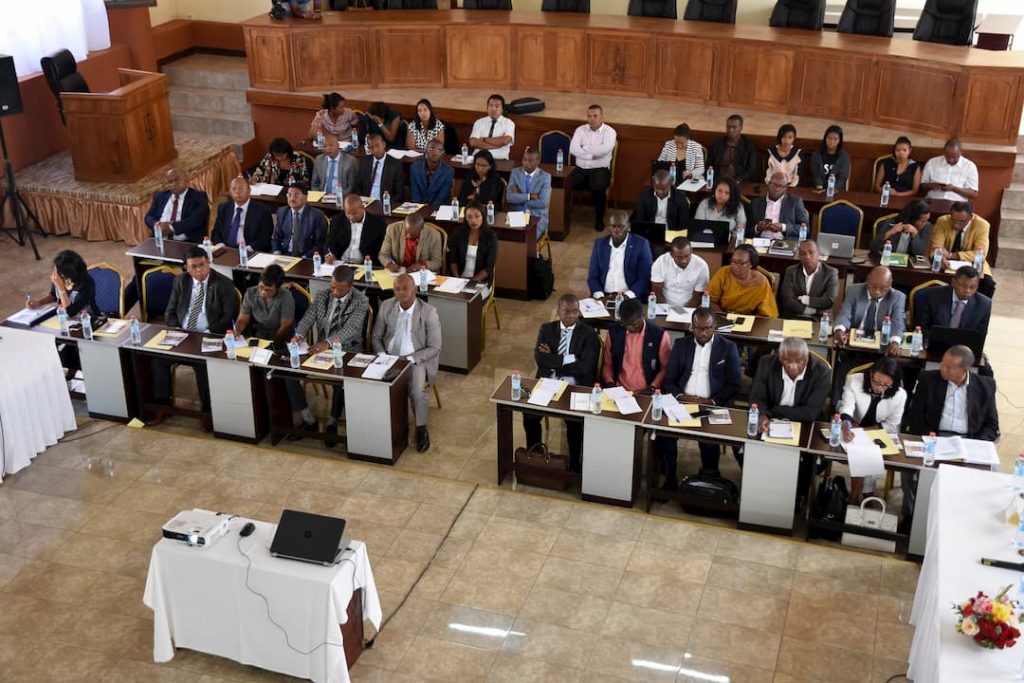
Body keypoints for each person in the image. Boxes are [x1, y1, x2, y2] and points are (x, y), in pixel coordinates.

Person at [902, 345, 1000, 520]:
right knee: (908, 471)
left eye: (949, 367)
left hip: (968, 441)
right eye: (942, 363)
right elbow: (915, 417)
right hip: (934, 437)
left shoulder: (986, 386)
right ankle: (910, 516)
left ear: (964, 369)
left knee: (991, 473)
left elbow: (992, 426)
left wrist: (972, 445)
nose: (942, 368)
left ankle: (967, 518)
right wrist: (933, 439)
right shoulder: (927, 379)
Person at [147, 246, 237, 430]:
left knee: (203, 366)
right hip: (182, 335)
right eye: (194, 267)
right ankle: (162, 406)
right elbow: (170, 312)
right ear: (186, 268)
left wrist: (207, 332)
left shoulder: (224, 284)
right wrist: (176, 330)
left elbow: (228, 317)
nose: (199, 270)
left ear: (208, 263)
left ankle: (208, 412)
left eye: (202, 265)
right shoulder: (181, 281)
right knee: (157, 360)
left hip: (208, 335)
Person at [749, 337, 832, 510]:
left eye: (799, 361)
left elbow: (811, 412)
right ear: (780, 358)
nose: (793, 366)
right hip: (772, 421)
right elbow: (757, 397)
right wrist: (762, 414)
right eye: (788, 360)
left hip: (806, 424)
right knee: (745, 444)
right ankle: (759, 487)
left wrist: (772, 412)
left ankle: (798, 496)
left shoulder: (822, 371)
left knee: (810, 459)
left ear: (807, 358)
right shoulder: (766, 363)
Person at [661, 308, 742, 483]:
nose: (703, 332)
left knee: (709, 438)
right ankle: (669, 477)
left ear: (715, 327)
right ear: (692, 327)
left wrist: (712, 401)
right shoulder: (681, 345)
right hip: (682, 402)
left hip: (711, 404)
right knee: (665, 434)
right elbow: (669, 380)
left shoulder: (728, 348)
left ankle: (709, 476)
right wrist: (682, 397)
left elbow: (734, 384)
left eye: (707, 328)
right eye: (698, 328)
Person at [525, 293, 601, 471]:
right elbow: (540, 359)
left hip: (574, 384)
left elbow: (585, 368)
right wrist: (570, 358)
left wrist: (555, 359)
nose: (571, 316)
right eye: (567, 312)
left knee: (574, 422)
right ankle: (534, 456)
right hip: (548, 382)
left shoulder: (589, 335)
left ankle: (575, 464)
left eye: (575, 312)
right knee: (529, 415)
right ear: (558, 311)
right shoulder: (546, 329)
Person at [372, 273, 442, 452]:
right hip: (389, 357)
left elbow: (435, 348)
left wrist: (411, 358)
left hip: (415, 358)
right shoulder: (387, 306)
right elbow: (376, 337)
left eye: (405, 288)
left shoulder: (428, 312)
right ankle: (383, 427)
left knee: (417, 392)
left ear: (415, 290)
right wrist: (381, 354)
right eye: (397, 289)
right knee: (374, 384)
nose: (401, 293)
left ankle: (421, 428)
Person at [838, 357, 907, 503]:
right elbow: (847, 406)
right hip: (852, 424)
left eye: (886, 385)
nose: (879, 388)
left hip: (879, 431)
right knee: (861, 449)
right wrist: (846, 423)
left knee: (864, 449)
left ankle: (855, 498)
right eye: (876, 381)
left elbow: (892, 425)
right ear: (870, 374)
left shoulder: (900, 395)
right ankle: (865, 494)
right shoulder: (854, 380)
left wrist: (867, 430)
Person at [601, 298, 671, 393]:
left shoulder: (659, 335)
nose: (629, 328)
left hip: (647, 390)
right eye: (626, 324)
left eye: (633, 324)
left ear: (642, 316)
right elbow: (607, 363)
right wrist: (610, 383)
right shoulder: (614, 332)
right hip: (619, 389)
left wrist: (653, 387)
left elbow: (665, 368)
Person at [833, 266, 906, 357]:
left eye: (883, 289)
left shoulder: (897, 298)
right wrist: (839, 330)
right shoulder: (854, 291)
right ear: (868, 280)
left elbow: (898, 323)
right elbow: (845, 313)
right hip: (855, 346)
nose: (877, 292)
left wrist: (895, 343)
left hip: (881, 348)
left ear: (890, 284)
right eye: (873, 287)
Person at [929, 201, 996, 298]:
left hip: (973, 264)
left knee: (987, 284)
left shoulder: (982, 225)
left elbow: (980, 254)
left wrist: (952, 255)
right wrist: (941, 257)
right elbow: (936, 245)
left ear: (970, 217)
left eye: (961, 221)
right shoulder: (943, 221)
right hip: (946, 263)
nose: (956, 225)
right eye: (953, 220)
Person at [587, 209, 654, 301]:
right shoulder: (600, 244)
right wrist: (600, 296)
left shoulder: (641, 244)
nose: (616, 230)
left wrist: (627, 297)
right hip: (604, 295)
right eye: (613, 226)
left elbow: (644, 278)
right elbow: (593, 277)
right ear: (609, 227)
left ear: (628, 227)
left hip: (630, 296)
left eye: (621, 226)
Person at [570, 104, 618, 231]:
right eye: (589, 116)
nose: (592, 119)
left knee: (599, 189)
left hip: (599, 169)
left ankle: (599, 220)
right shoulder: (581, 130)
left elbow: (605, 150)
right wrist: (591, 155)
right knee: (563, 184)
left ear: (602, 116)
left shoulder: (610, 132)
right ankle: (563, 218)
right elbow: (573, 149)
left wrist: (584, 149)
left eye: (595, 116)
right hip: (580, 169)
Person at [915, 265, 992, 340]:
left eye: (972, 287)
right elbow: (922, 327)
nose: (967, 291)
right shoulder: (932, 296)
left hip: (964, 348)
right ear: (953, 282)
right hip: (934, 344)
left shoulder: (984, 305)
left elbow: (980, 336)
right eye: (963, 286)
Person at [706, 243, 778, 317]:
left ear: (751, 263)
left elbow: (766, 313)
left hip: (748, 320)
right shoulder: (723, 273)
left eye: (741, 263)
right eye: (733, 261)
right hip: (723, 315)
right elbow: (710, 300)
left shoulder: (761, 282)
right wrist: (724, 317)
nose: (735, 266)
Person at [777, 240, 839, 321]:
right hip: (794, 316)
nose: (807, 256)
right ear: (799, 256)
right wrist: (806, 310)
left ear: (819, 254)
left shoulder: (830, 273)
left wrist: (805, 299)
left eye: (811, 252)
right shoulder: (791, 271)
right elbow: (787, 300)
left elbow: (829, 300)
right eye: (803, 254)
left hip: (820, 318)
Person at [144, 167, 210, 243]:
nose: (173, 184)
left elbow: (196, 220)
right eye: (170, 182)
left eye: (177, 180)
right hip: (161, 240)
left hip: (188, 242)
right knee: (138, 254)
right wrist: (157, 225)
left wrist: (171, 228)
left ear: (187, 181)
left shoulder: (199, 197)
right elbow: (148, 217)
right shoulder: (160, 196)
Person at [27, 249, 98, 318]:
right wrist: (39, 303)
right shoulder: (59, 278)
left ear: (68, 274)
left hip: (86, 319)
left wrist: (61, 288)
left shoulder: (86, 284)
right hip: (63, 318)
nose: (55, 274)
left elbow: (70, 312)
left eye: (57, 271)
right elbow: (53, 296)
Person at [211, 176, 274, 252]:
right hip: (226, 250)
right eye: (234, 189)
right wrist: (221, 245)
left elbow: (265, 237)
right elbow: (216, 233)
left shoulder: (262, 210)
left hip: (250, 250)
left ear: (249, 190)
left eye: (241, 188)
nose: (237, 192)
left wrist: (247, 250)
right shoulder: (223, 208)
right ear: (230, 192)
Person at [235, 264, 294, 342]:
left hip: (281, 337)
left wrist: (273, 342)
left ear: (278, 288)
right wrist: (237, 330)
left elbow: (285, 325)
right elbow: (243, 319)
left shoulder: (286, 297)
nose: (263, 292)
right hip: (259, 335)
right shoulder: (250, 293)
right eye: (261, 287)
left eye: (268, 290)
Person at [447, 203, 498, 294]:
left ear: (483, 217)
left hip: (481, 281)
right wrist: (457, 279)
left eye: (477, 216)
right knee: (448, 299)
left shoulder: (490, 237)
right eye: (469, 217)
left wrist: (471, 282)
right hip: (459, 278)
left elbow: (488, 267)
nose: (473, 220)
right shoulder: (458, 233)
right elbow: (452, 260)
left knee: (471, 302)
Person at [325, 193, 387, 266]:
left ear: (363, 207)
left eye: (354, 213)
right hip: (340, 263)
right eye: (348, 213)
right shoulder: (337, 221)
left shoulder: (377, 223)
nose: (351, 217)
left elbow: (383, 250)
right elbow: (329, 243)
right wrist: (329, 255)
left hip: (365, 265)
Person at [650, 237, 709, 308]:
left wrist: (684, 312)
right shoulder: (661, 262)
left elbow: (698, 295)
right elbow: (657, 291)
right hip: (664, 305)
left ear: (691, 251)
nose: (683, 260)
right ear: (671, 254)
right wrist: (665, 309)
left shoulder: (701, 266)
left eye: (687, 256)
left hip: (690, 306)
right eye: (679, 257)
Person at [506, 147, 552, 238]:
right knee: (508, 236)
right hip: (517, 214)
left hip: (537, 216)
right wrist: (529, 196)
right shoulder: (515, 173)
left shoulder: (545, 177)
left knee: (528, 238)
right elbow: (509, 198)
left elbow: (542, 203)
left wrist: (519, 197)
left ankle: (532, 252)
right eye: (524, 160)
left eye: (530, 161)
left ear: (538, 161)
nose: (526, 163)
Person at [749, 172, 809, 239]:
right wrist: (757, 228)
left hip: (785, 243)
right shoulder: (756, 203)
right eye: (774, 185)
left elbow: (806, 229)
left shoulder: (795, 202)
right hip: (761, 242)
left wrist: (783, 227)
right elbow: (747, 229)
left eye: (781, 186)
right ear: (768, 184)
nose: (777, 189)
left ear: (786, 187)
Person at [272, 184, 326, 258]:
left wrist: (306, 257)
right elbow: (276, 237)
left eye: (296, 195)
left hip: (306, 256)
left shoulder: (316, 215)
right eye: (289, 195)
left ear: (306, 197)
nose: (292, 199)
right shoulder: (282, 212)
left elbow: (320, 244)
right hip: (285, 254)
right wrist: (277, 253)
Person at [869, 199, 933, 257]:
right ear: (912, 219)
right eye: (923, 221)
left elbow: (919, 253)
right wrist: (890, 232)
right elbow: (873, 247)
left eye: (927, 220)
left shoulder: (926, 227)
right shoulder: (892, 222)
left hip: (909, 265)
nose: (925, 223)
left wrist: (915, 234)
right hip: (887, 259)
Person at [709, 114, 758, 183]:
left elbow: (751, 169)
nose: (730, 130)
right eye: (728, 127)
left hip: (740, 181)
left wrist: (739, 179)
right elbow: (709, 165)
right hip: (718, 180)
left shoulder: (749, 146)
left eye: (734, 127)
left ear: (741, 128)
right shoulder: (717, 145)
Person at [354, 133, 404, 202]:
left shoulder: (395, 164)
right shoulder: (365, 162)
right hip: (367, 202)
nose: (375, 150)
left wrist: (386, 203)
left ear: (384, 144)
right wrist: (363, 200)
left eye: (377, 146)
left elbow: (399, 193)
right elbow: (357, 185)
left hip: (385, 203)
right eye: (371, 147)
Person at [468, 93, 515, 160]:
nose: (493, 109)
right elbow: (473, 142)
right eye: (490, 105)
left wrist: (484, 139)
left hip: (499, 160)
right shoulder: (479, 122)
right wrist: (498, 144)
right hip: (479, 159)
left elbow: (505, 141)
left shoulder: (508, 123)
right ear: (487, 108)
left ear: (502, 109)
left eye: (497, 106)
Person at [410, 139, 454, 206]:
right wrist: (419, 207)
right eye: (432, 149)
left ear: (443, 153)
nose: (435, 153)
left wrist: (430, 209)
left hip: (439, 207)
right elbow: (415, 193)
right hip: (419, 206)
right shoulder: (415, 168)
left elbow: (442, 196)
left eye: (439, 150)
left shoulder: (448, 171)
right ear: (426, 150)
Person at [810, 125, 851, 191]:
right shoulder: (817, 154)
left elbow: (842, 178)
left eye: (835, 139)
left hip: (836, 191)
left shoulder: (844, 157)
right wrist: (819, 187)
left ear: (839, 141)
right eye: (829, 138)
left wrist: (832, 190)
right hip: (818, 189)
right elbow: (816, 174)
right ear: (825, 138)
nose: (832, 142)